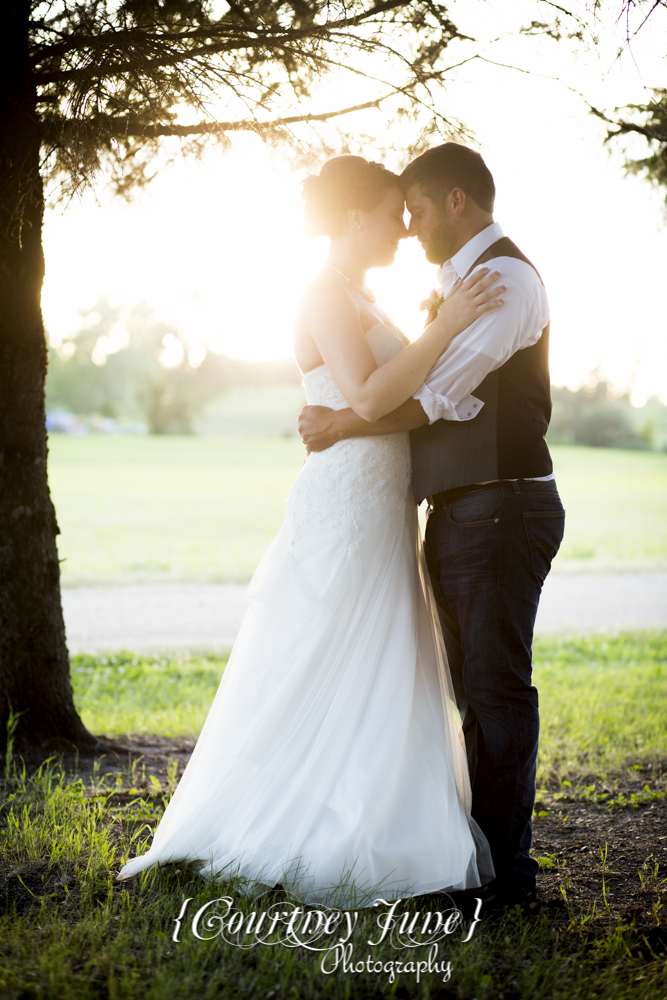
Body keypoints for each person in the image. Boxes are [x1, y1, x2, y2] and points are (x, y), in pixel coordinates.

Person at [116, 155, 504, 907]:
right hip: (346, 501)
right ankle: (291, 820)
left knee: (380, 654)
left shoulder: (359, 293)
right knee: (327, 649)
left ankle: (376, 813)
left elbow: (382, 397)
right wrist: (446, 327)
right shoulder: (323, 294)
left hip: (381, 499)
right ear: (355, 218)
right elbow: (366, 389)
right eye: (393, 211)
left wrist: (425, 330)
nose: (403, 225)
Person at [298, 143, 566, 912]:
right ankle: (472, 854)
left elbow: (443, 392)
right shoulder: (454, 287)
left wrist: (341, 423)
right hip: (459, 508)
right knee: (465, 691)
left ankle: (504, 874)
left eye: (414, 210)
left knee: (494, 688)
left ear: (456, 201)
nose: (409, 228)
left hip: (503, 504)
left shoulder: (503, 280)